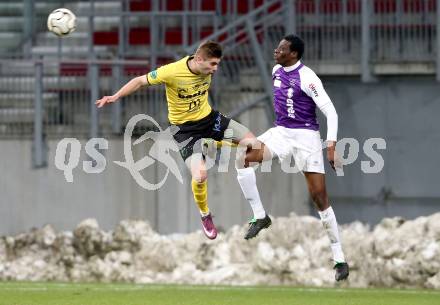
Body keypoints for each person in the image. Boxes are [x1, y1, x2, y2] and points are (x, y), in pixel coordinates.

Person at [96, 41, 257, 240]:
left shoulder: (206, 71)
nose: (216, 69)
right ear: (199, 59)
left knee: (254, 144)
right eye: (213, 64)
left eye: (217, 64)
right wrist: (115, 96)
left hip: (209, 119)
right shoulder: (172, 71)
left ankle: (212, 142)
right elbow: (139, 81)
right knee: (200, 176)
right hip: (185, 130)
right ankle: (205, 214)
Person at [234, 34, 349, 281]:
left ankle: (339, 258)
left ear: (294, 54)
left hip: (306, 137)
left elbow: (331, 112)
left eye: (282, 48)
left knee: (319, 198)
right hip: (281, 133)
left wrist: (331, 146)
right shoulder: (277, 70)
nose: (276, 51)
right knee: (244, 158)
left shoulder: (308, 78)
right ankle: (261, 216)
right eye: (277, 47)